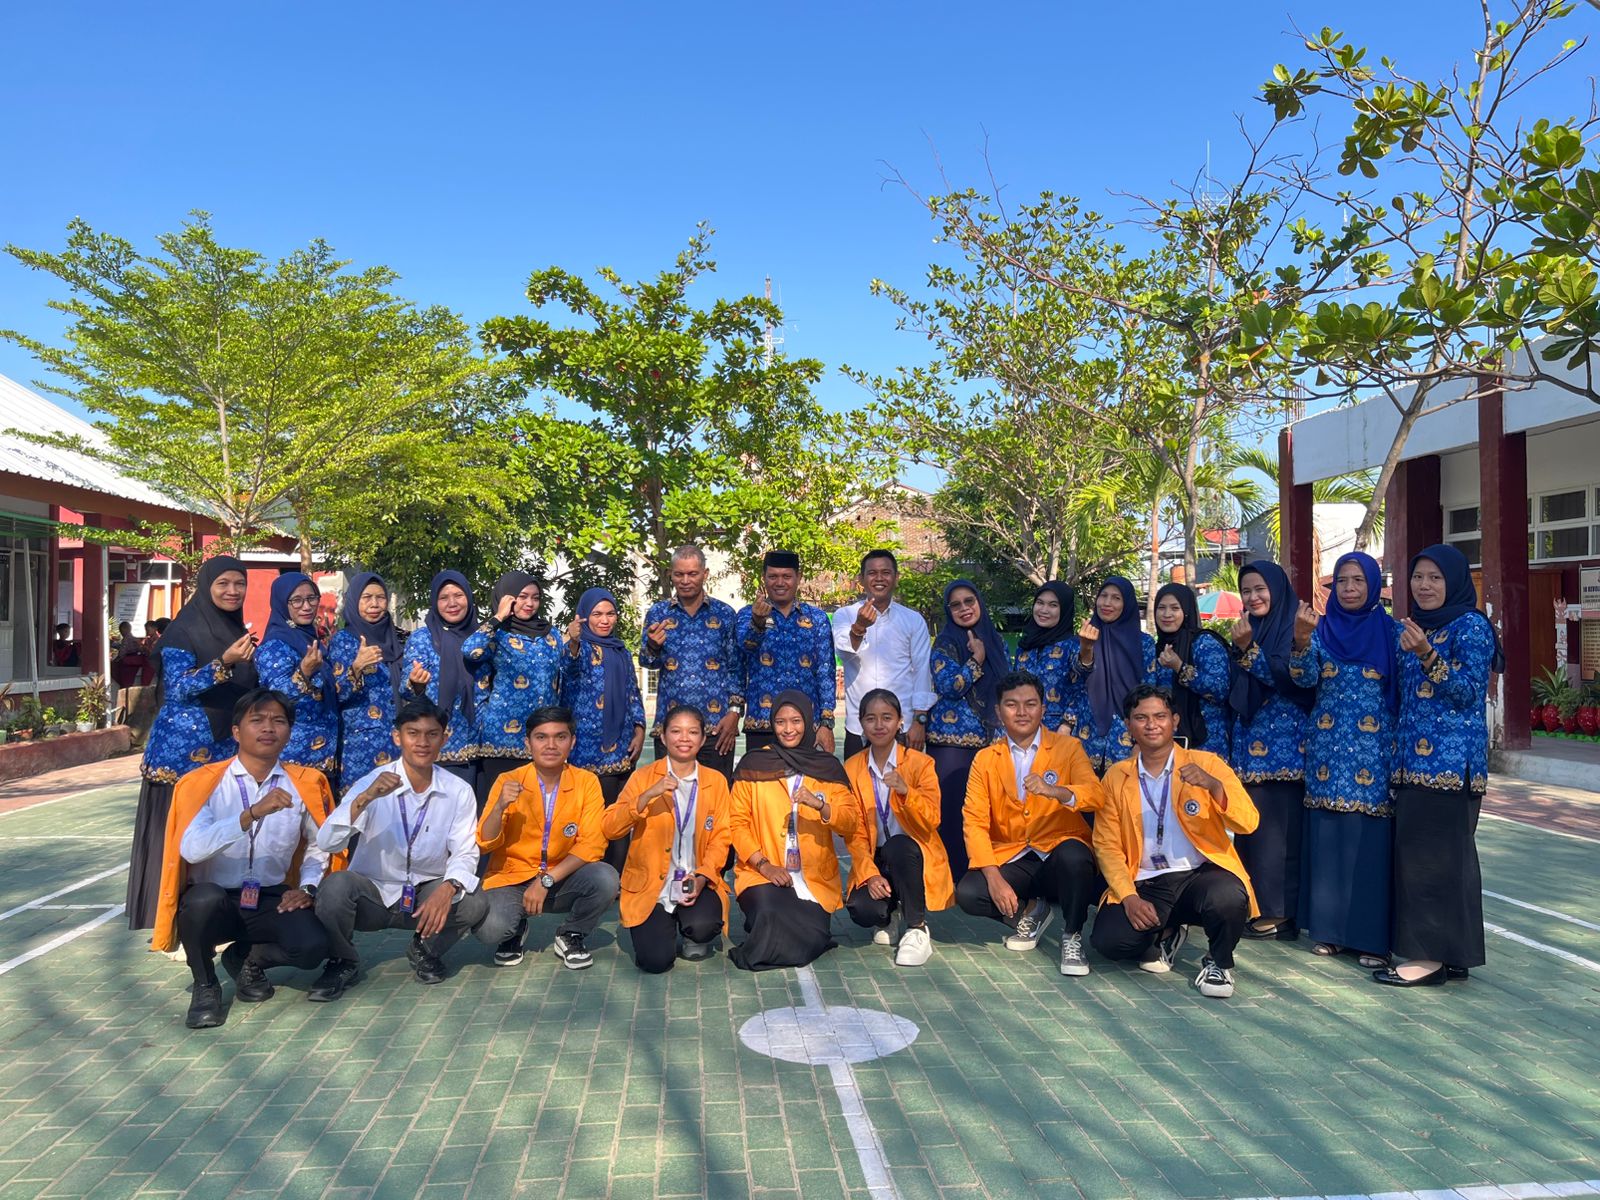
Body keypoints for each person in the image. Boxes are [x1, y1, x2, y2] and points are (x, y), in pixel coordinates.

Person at [149, 689, 336, 1028]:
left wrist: (307, 888)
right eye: (257, 720)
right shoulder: (203, 784)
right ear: (236, 732)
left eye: (278, 721)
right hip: (216, 899)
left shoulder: (304, 784)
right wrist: (250, 815)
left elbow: (319, 845)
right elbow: (192, 849)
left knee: (313, 947)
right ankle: (205, 985)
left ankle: (246, 959)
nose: (268, 728)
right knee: (201, 902)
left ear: (289, 732)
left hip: (269, 896)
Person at [1374, 544, 1502, 988]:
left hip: (1449, 767)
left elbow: (1467, 693)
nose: (1424, 586)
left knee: (1431, 862)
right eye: (1417, 577)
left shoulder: (1471, 626)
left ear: (1454, 581)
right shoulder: (1414, 627)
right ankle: (1454, 954)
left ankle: (1426, 959)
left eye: (1435, 577)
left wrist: (1428, 654)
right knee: (1441, 862)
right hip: (1411, 764)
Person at [310, 699, 488, 998]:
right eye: (412, 733)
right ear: (397, 737)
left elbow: (465, 850)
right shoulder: (371, 783)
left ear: (445, 739)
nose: (422, 742)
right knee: (336, 887)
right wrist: (366, 798)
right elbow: (328, 842)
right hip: (372, 895)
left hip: (423, 895)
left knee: (474, 901)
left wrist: (448, 888)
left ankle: (425, 949)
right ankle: (342, 960)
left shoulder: (458, 790)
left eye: (432, 734)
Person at [1090, 685, 1259, 999]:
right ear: (1128, 725)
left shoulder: (1207, 764)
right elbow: (1106, 845)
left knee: (1228, 896)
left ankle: (1219, 962)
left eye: (1160, 716)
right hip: (1147, 882)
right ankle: (1167, 933)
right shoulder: (1116, 776)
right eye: (1141, 718)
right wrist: (1129, 897)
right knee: (1109, 942)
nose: (1151, 725)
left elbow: (1248, 822)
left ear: (1175, 721)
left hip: (1198, 876)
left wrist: (1215, 788)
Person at [128, 556, 258, 931]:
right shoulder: (182, 631)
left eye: (239, 583)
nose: (232, 591)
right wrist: (224, 662)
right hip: (181, 755)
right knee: (179, 839)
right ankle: (169, 921)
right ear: (206, 587)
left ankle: (208, 923)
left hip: (223, 750)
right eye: (223, 584)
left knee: (214, 839)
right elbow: (178, 688)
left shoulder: (235, 630)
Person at [1289, 552, 1401, 968]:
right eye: (1342, 581)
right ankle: (1329, 932)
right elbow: (1304, 680)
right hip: (1327, 751)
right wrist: (1301, 642)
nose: (1350, 589)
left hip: (1375, 753)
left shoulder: (1391, 633)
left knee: (1368, 844)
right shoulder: (1320, 631)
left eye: (1358, 581)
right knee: (1329, 840)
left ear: (1373, 585)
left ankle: (1371, 939)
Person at [956, 670, 1105, 976]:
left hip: (1058, 852)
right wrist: (994, 878)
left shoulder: (1068, 747)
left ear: (1043, 709)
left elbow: (1095, 795)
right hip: (1013, 854)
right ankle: (1031, 912)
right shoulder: (985, 759)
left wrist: (1056, 791)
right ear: (999, 711)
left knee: (1075, 856)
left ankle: (1072, 935)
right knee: (970, 892)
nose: (1022, 712)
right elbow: (974, 822)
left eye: (1030, 704)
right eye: (1012, 705)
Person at [473, 705, 621, 971]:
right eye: (541, 737)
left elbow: (592, 844)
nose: (551, 745)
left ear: (572, 742)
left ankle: (571, 933)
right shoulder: (508, 780)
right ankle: (515, 930)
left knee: (606, 878)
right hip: (512, 877)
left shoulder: (586, 781)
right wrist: (498, 808)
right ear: (527, 742)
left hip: (560, 877)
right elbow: (485, 841)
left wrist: (546, 880)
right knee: (491, 930)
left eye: (560, 737)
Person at [727, 691, 858, 971]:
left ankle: (772, 930)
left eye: (796, 721)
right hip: (762, 871)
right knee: (770, 912)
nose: (788, 729)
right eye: (780, 722)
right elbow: (736, 823)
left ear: (808, 722)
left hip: (812, 878)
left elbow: (850, 822)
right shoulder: (755, 764)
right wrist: (764, 865)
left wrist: (820, 805)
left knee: (810, 938)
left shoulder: (827, 767)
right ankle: (763, 923)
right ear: (772, 724)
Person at [602, 705, 732, 972]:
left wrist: (702, 877)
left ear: (702, 739)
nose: (684, 738)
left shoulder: (716, 781)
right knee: (655, 961)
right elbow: (611, 828)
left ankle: (691, 931)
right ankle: (663, 925)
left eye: (692, 732)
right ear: (662, 737)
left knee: (703, 926)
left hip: (695, 880)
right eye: (676, 731)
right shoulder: (643, 777)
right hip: (652, 884)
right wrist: (647, 796)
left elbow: (721, 838)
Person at [1227, 561, 1316, 942]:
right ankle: (1258, 905)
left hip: (1285, 754)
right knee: (1253, 831)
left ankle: (1280, 914)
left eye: (1260, 589)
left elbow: (1294, 681)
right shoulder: (1252, 629)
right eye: (1246, 591)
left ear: (1277, 590)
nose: (1253, 597)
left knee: (1279, 838)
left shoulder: (1295, 630)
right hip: (1250, 752)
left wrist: (1248, 650)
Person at [843, 689, 952, 966]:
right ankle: (889, 915)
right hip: (876, 857)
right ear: (861, 723)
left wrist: (907, 792)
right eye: (871, 718)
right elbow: (854, 831)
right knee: (862, 909)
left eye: (887, 717)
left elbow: (933, 819)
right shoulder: (852, 768)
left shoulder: (920, 763)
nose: (879, 725)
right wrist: (869, 874)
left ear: (900, 721)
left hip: (912, 854)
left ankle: (917, 927)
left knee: (898, 846)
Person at [638, 546, 744, 780]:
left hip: (717, 728)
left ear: (705, 574)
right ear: (671, 575)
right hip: (671, 729)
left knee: (716, 794)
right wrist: (653, 646)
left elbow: (736, 667)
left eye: (692, 574)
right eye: (679, 574)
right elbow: (647, 662)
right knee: (669, 795)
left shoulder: (725, 614)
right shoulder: (658, 613)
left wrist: (735, 713)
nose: (685, 581)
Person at [925, 579, 1007, 879]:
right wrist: (976, 660)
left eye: (969, 601)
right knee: (952, 815)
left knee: (987, 814)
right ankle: (953, 879)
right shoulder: (945, 643)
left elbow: (1006, 690)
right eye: (956, 605)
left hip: (991, 743)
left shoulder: (995, 641)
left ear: (979, 602)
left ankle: (984, 877)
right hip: (951, 746)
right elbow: (949, 686)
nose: (964, 609)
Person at [560, 588, 646, 871]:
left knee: (621, 815)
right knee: (593, 818)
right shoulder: (580, 648)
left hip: (623, 747)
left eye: (610, 614)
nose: (604, 620)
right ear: (584, 616)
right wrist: (573, 641)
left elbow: (632, 693)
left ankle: (618, 876)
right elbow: (569, 668)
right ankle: (592, 877)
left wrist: (639, 729)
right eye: (597, 614)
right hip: (589, 752)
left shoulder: (621, 651)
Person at [465, 570, 563, 805]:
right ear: (507, 598)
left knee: (536, 811)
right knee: (501, 810)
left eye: (535, 598)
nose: (529, 603)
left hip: (543, 740)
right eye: (522, 597)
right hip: (502, 740)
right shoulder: (496, 633)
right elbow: (470, 651)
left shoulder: (551, 635)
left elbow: (561, 679)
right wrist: (498, 617)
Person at [831, 550, 935, 760]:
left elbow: (922, 671)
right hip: (858, 726)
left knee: (903, 781)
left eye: (886, 573)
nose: (879, 578)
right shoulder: (845, 615)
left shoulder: (913, 620)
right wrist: (859, 627)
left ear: (896, 578)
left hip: (902, 726)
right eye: (872, 573)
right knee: (855, 781)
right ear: (861, 580)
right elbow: (843, 649)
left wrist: (919, 720)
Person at [737, 551, 836, 753]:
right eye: (773, 576)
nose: (780, 582)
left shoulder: (816, 618)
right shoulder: (747, 614)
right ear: (764, 578)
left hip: (806, 725)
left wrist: (827, 723)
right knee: (759, 775)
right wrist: (757, 623)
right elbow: (745, 648)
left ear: (799, 577)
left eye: (787, 576)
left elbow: (825, 670)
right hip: (762, 723)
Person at [403, 570, 490, 794]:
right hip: (440, 749)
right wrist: (416, 683)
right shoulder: (422, 638)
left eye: (458, 595)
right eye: (443, 598)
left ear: (469, 598)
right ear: (434, 602)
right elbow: (407, 690)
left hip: (482, 748)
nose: (452, 603)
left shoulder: (482, 638)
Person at [253, 573, 340, 784]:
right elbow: (276, 697)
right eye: (297, 600)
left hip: (323, 755)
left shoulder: (310, 640)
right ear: (282, 604)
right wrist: (304, 672)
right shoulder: (275, 646)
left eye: (312, 598)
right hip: (293, 756)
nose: (306, 606)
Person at [330, 572, 405, 791]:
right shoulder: (344, 641)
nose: (374, 604)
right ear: (354, 601)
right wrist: (356, 667)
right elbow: (336, 694)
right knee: (361, 805)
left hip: (397, 741)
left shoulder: (397, 639)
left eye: (380, 598)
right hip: (360, 747)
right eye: (367, 598)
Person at [1079, 576, 1155, 774]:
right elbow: (1075, 684)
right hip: (1087, 734)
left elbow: (1149, 691)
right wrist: (1086, 649)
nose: (1107, 603)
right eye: (1103, 596)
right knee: (1084, 791)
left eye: (1116, 598)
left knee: (1125, 790)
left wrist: (1142, 741)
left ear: (1127, 604)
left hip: (1128, 736)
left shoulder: (1143, 643)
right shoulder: (1084, 638)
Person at [1149, 583, 1232, 757]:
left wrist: (1180, 667)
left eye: (1175, 608)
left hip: (1207, 742)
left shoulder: (1204, 643)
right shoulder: (1155, 649)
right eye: (1161, 608)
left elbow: (1220, 689)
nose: (1167, 614)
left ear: (1186, 611)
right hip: (1166, 743)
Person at [1013, 582, 1092, 738]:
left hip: (1061, 733)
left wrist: (1067, 724)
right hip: (1024, 730)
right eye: (1040, 603)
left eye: (1053, 605)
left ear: (1064, 610)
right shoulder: (1025, 646)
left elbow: (1084, 687)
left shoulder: (1073, 645)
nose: (1044, 610)